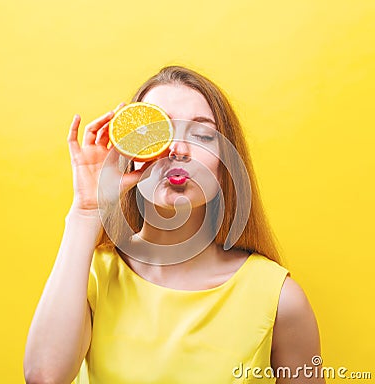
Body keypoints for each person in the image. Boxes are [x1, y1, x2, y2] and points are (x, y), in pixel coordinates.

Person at [24, 66, 325, 384]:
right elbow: (44, 377)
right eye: (159, 131)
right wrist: (87, 211)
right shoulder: (90, 275)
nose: (178, 150)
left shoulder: (279, 298)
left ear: (226, 165)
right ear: (132, 154)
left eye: (202, 135)